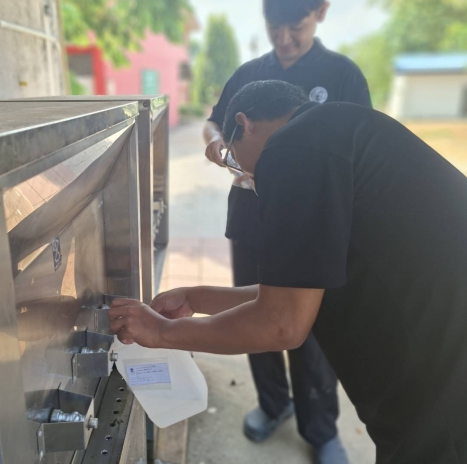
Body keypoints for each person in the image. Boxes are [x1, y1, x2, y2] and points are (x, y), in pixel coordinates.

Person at [110, 80, 467, 464]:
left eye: (234, 160)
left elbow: (282, 323)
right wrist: (195, 298)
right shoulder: (340, 131)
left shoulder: (292, 147)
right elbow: (297, 292)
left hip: (443, 393)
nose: (248, 177)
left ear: (244, 123)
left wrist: (161, 333)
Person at [202, 0, 370, 460]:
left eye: (295, 27)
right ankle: (273, 402)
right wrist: (217, 142)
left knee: (308, 326)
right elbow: (214, 121)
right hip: (252, 216)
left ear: (322, 12)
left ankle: (320, 427)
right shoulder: (250, 74)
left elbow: (358, 146)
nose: (284, 40)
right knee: (253, 313)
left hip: (314, 224)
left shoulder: (342, 75)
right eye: (275, 29)